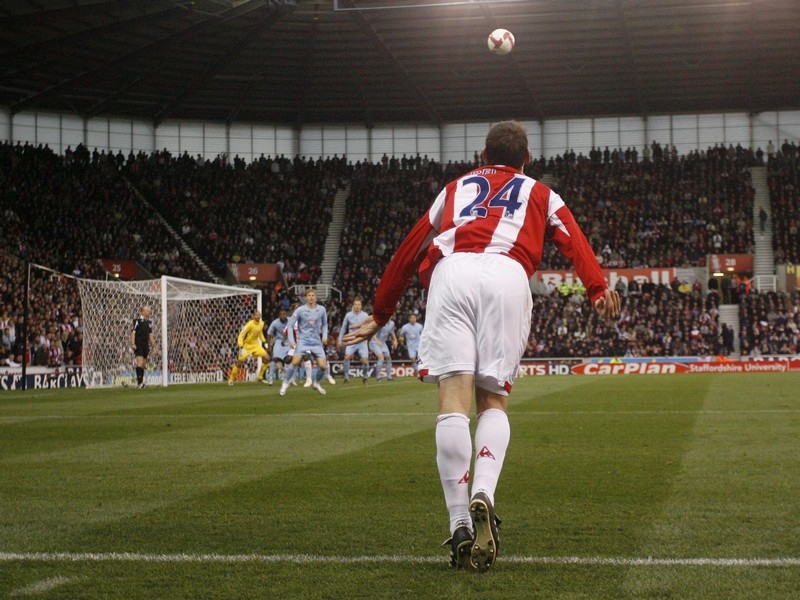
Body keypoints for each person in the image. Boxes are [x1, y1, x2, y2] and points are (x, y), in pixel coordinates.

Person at [342, 121, 620, 571]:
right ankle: (484, 493)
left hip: (452, 275)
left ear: (483, 155)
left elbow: (410, 249)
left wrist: (381, 312)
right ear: (526, 158)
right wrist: (596, 288)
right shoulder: (539, 191)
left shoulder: (454, 189)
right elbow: (573, 239)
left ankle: (458, 523)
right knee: (493, 400)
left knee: (453, 400)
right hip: (507, 274)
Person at [280, 288, 329, 396]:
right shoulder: (300, 310)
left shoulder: (321, 310)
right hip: (303, 341)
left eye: (313, 295)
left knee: (323, 366)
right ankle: (285, 383)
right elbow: (290, 325)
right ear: (306, 297)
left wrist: (324, 336)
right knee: (295, 362)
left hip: (316, 342)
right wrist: (292, 340)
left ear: (316, 297)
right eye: (309, 296)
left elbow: (325, 324)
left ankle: (316, 383)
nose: (311, 297)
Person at [227, 309, 270, 385]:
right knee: (239, 362)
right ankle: (231, 379)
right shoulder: (249, 324)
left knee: (267, 358)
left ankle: (260, 377)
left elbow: (260, 334)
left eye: (259, 315)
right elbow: (241, 335)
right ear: (253, 316)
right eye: (256, 315)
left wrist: (264, 341)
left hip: (256, 345)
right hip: (246, 346)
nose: (258, 316)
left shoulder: (261, 324)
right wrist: (241, 346)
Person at [338, 296, 371, 384]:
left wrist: (368, 338)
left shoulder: (365, 315)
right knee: (347, 357)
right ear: (353, 305)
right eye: (355, 304)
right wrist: (339, 339)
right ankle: (346, 377)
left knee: (365, 361)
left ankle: (365, 377)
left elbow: (369, 328)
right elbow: (343, 327)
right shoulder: (348, 315)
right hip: (351, 341)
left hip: (362, 341)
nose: (357, 306)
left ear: (361, 306)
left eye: (359, 305)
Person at [131, 305, 155, 389]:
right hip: (139, 343)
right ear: (143, 311)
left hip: (145, 345)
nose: (149, 312)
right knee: (140, 363)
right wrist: (133, 343)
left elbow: (150, 335)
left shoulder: (149, 323)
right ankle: (139, 383)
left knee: (143, 364)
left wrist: (154, 346)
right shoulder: (137, 321)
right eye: (148, 310)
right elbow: (133, 332)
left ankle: (140, 381)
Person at [369, 314, 398, 381]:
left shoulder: (392, 323)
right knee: (381, 357)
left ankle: (389, 377)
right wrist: (377, 341)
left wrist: (395, 340)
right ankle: (378, 376)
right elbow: (373, 333)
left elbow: (392, 332)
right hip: (374, 342)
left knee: (388, 358)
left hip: (383, 343)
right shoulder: (380, 323)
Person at [266, 308, 290, 385]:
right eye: (281, 314)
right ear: (279, 315)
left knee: (289, 359)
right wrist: (269, 346)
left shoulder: (291, 321)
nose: (282, 316)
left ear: (286, 315)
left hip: (290, 341)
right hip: (279, 342)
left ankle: (290, 379)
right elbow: (269, 334)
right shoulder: (275, 323)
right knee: (274, 359)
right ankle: (271, 379)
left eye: (284, 314)